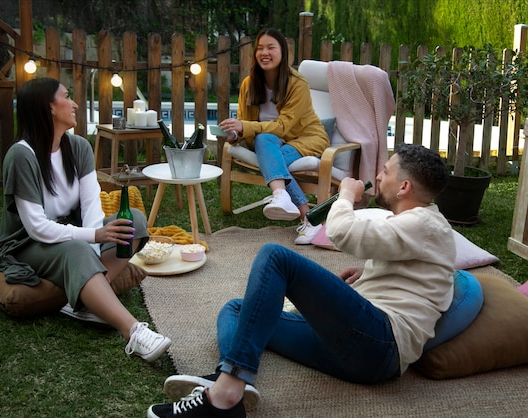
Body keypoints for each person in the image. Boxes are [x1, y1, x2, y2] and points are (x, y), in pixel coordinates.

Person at [147, 143, 455, 417]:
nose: (377, 177)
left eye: (385, 172)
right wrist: (371, 273)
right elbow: (429, 276)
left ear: (403, 187)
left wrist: (345, 195)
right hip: (356, 353)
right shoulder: (420, 228)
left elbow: (343, 233)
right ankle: (231, 384)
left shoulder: (425, 224)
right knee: (237, 310)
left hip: (379, 343)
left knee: (276, 258)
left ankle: (225, 392)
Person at [0, 77, 171, 363]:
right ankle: (134, 332)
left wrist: (95, 243)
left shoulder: (78, 147)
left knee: (133, 220)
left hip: (71, 235)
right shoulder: (21, 156)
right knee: (76, 248)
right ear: (48, 107)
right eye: (66, 97)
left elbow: (91, 207)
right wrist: (93, 238)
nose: (74, 104)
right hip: (28, 243)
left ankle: (86, 302)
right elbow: (36, 227)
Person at [216, 28, 330, 245]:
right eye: (259, 48)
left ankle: (285, 200)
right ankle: (305, 215)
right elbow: (246, 125)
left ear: (283, 52)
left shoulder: (298, 83)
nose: (264, 53)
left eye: (270, 47)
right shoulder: (249, 84)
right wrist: (233, 134)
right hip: (269, 142)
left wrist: (245, 126)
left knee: (269, 152)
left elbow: (284, 126)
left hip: (305, 137)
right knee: (264, 141)